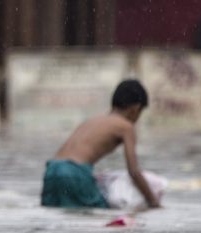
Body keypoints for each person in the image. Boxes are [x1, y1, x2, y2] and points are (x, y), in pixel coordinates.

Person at [41, 79, 161, 209]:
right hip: (75, 172)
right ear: (135, 109)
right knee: (100, 215)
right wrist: (153, 201)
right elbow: (134, 171)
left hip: (52, 170)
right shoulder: (126, 127)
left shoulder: (91, 121)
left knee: (55, 215)